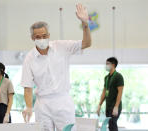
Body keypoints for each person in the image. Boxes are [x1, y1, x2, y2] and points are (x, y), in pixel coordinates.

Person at [21, 3, 91, 131]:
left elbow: (86, 43)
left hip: (62, 100)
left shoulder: (62, 47)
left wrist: (85, 24)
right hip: (42, 104)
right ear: (32, 38)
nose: (42, 39)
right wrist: (29, 107)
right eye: (38, 37)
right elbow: (27, 87)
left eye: (44, 36)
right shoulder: (29, 58)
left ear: (49, 35)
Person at [97, 57, 124, 131]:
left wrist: (116, 107)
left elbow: (120, 93)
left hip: (115, 106)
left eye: (108, 64)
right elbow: (104, 92)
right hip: (108, 106)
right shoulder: (106, 78)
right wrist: (99, 105)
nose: (106, 65)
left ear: (113, 65)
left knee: (112, 124)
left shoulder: (118, 76)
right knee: (110, 125)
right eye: (106, 64)